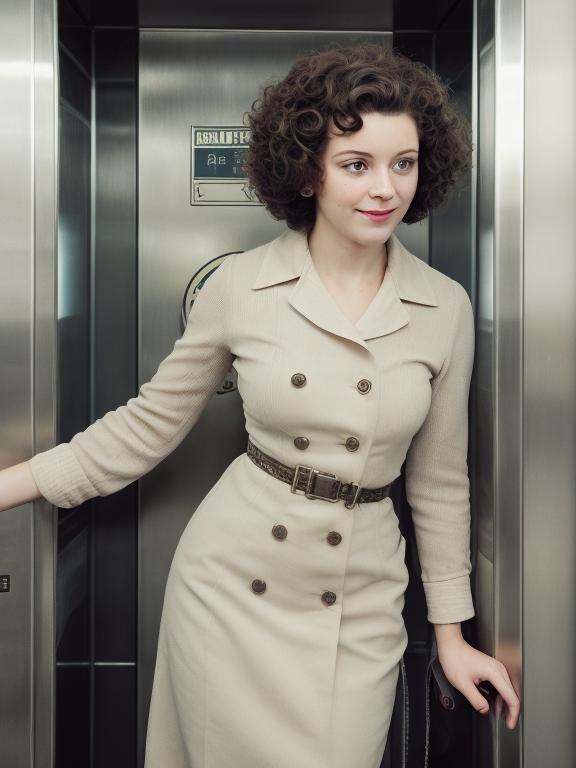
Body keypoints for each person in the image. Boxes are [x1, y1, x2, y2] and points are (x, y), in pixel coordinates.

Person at [0, 43, 520, 767]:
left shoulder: (444, 306)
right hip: (231, 591)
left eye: (403, 163)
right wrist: (7, 488)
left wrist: (454, 635)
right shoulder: (241, 287)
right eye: (356, 164)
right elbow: (146, 427)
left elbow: (439, 483)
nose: (385, 189)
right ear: (307, 171)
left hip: (361, 600)